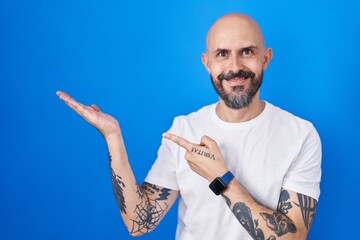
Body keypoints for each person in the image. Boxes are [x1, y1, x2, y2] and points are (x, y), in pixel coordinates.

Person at [57, 13, 321, 240]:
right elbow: (141, 222)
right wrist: (112, 136)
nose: (235, 67)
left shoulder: (300, 134)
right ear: (207, 63)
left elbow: (294, 236)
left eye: (247, 52)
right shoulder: (184, 128)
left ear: (265, 58)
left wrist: (221, 178)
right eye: (222, 54)